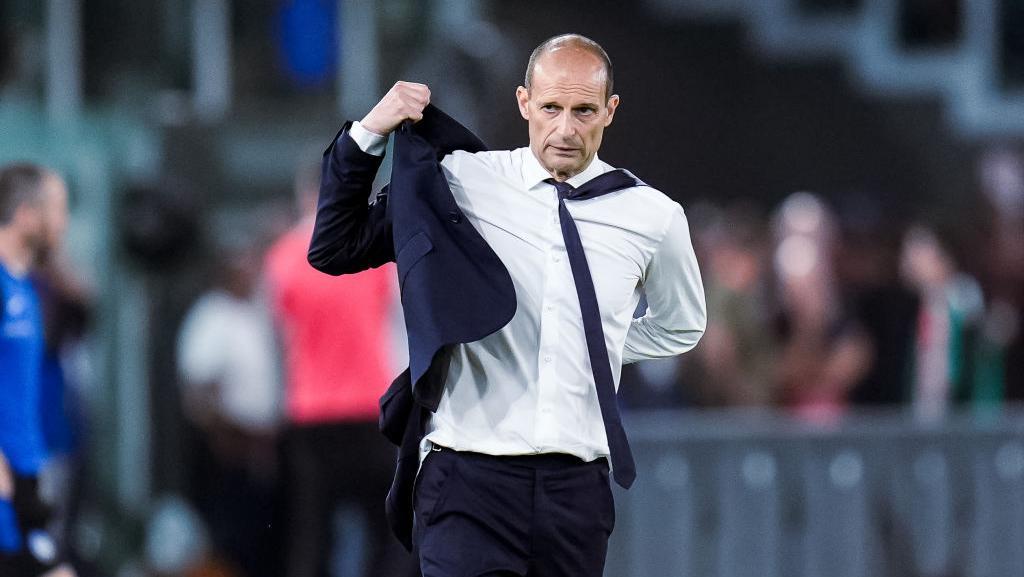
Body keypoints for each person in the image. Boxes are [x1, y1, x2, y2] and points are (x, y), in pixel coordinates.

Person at [308, 34, 706, 576]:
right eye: (551, 108)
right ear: (524, 103)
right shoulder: (463, 181)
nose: (565, 129)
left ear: (610, 110)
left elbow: (681, 325)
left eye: (584, 111)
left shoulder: (652, 216)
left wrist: (590, 340)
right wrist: (371, 131)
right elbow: (335, 246)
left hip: (576, 494)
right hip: (467, 483)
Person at [265, 162, 414, 577]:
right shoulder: (377, 251)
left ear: (305, 194)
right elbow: (400, 330)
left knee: (312, 533)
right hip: (372, 408)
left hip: (310, 412)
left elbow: (273, 340)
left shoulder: (282, 259)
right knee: (390, 531)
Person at [0, 163, 75, 577]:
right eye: (58, 210)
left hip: (27, 477)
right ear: (28, 215)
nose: (64, 223)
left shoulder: (25, 287)